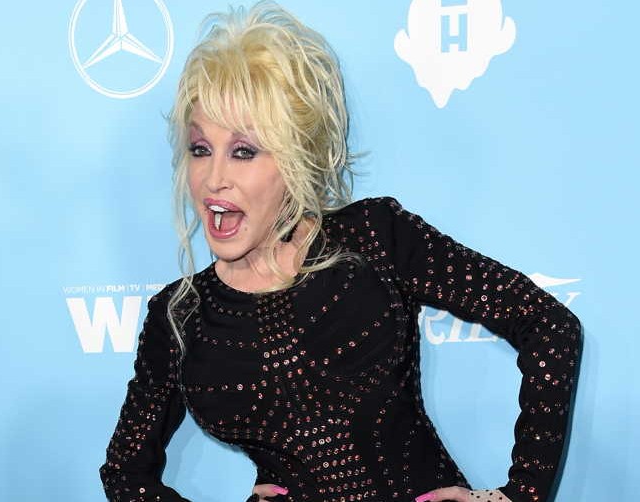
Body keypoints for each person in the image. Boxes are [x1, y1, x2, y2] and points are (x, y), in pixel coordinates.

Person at [99, 2, 582, 502]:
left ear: (295, 158)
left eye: (244, 151)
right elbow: (125, 473)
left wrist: (521, 493)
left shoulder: (375, 237)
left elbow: (549, 326)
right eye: (201, 149)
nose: (214, 178)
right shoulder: (179, 314)